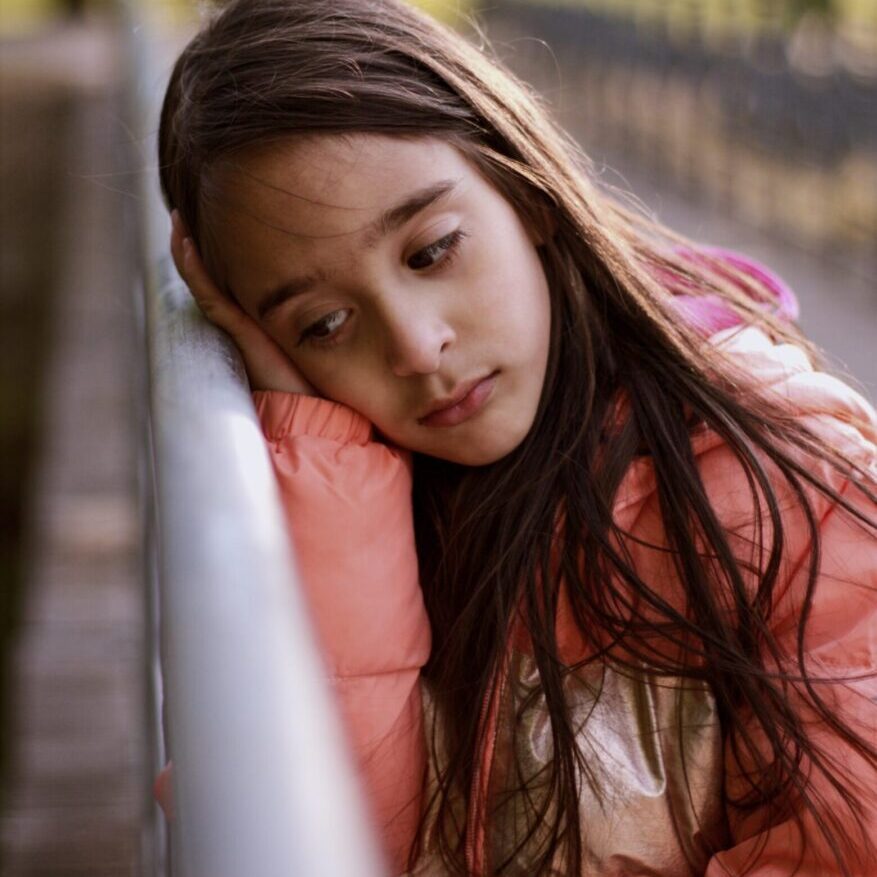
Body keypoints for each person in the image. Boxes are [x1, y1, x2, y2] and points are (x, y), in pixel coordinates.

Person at [152, 0, 877, 874]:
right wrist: (321, 447)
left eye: (431, 251)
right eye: (326, 323)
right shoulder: (383, 498)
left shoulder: (773, 473)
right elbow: (340, 842)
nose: (418, 348)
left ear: (524, 191)